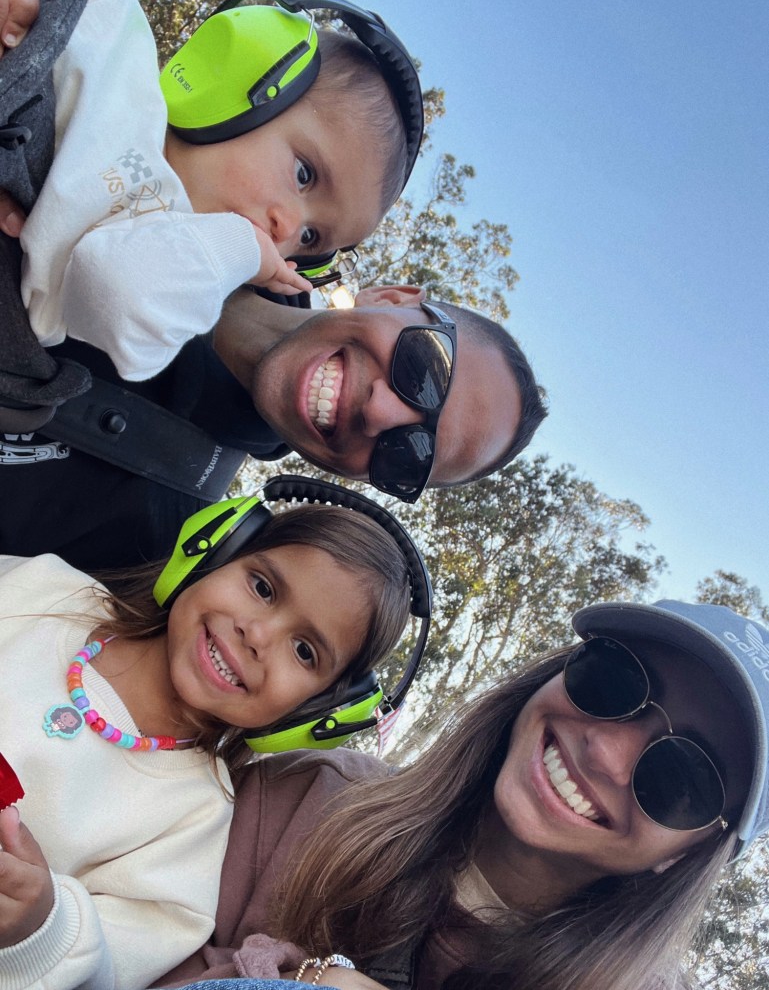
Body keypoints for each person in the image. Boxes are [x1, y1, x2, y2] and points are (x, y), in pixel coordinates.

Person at [157, 598, 768, 990]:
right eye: (615, 679)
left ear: (690, 854)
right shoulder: (310, 794)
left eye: (684, 779)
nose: (606, 753)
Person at [0, 488, 415, 990]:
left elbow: (110, 965)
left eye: (304, 651)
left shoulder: (195, 822)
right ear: (212, 551)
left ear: (315, 712)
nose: (257, 634)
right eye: (263, 588)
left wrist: (38, 930)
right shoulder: (43, 590)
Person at [0, 0, 419, 382]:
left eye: (310, 238)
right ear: (240, 76)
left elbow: (116, 292)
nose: (287, 229)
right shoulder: (116, 38)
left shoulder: (172, 269)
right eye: (304, 174)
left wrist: (236, 251)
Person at [0, 280, 548, 574]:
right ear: (391, 296)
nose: (380, 413)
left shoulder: (152, 543)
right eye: (425, 370)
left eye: (409, 453)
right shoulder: (198, 175)